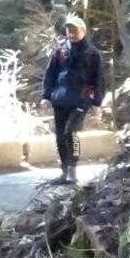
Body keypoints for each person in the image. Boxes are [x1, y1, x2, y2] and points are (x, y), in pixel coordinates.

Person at [41, 14, 106, 185]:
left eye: (74, 29)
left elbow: (99, 79)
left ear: (83, 31)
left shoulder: (92, 53)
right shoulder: (60, 51)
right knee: (60, 136)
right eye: (69, 29)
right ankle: (64, 171)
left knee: (71, 132)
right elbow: (50, 74)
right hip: (60, 100)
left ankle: (73, 171)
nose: (71, 33)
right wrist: (46, 96)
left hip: (81, 100)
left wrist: (97, 103)